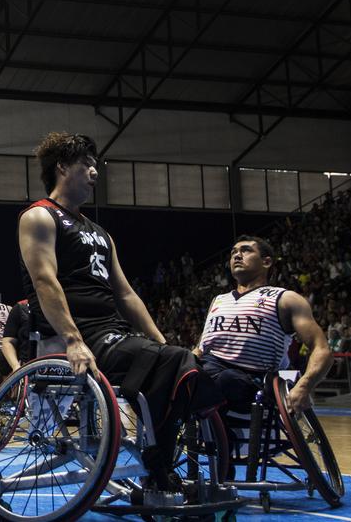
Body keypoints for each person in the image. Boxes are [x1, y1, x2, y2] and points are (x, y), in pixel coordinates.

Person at [18, 133, 221, 499]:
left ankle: (159, 456)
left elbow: (126, 294)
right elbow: (45, 281)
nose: (95, 172)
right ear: (62, 167)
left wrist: (160, 340)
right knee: (173, 362)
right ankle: (158, 462)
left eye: (95, 165)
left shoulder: (101, 234)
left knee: (178, 359)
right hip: (74, 335)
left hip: (113, 333)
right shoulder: (39, 216)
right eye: (86, 165)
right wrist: (73, 340)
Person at [195, 236, 332, 413]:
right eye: (233, 252)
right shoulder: (218, 300)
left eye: (245, 250)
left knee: (227, 379)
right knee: (176, 361)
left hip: (252, 378)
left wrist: (304, 386)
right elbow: (201, 347)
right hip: (209, 368)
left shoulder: (286, 298)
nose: (237, 255)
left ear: (266, 262)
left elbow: (322, 349)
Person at [0, 299, 33, 372]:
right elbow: (7, 342)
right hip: (27, 367)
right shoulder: (21, 307)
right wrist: (16, 367)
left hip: (57, 363)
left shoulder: (58, 307)